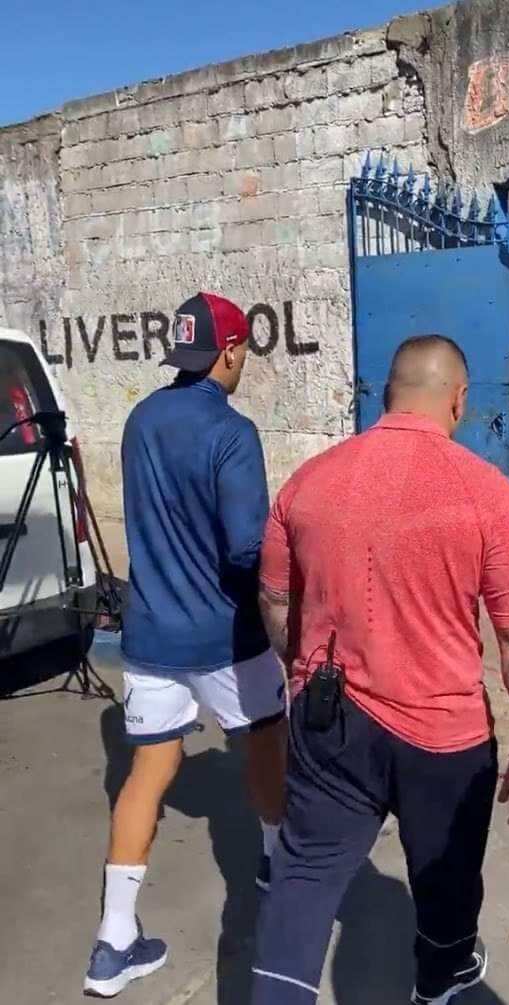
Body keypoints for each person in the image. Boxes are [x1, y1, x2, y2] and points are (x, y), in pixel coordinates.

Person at [251, 335, 509, 1005]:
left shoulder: (308, 481)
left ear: (386, 393)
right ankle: (437, 983)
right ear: (456, 399)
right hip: (442, 739)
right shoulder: (483, 492)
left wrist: (303, 671)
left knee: (303, 877)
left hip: (330, 724)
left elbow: (274, 598)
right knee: (444, 878)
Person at [84, 292, 287, 998]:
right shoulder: (233, 432)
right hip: (228, 636)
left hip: (150, 635)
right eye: (241, 355)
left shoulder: (139, 420)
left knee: (144, 775)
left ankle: (112, 942)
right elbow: (246, 547)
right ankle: (275, 868)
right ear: (230, 351)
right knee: (266, 744)